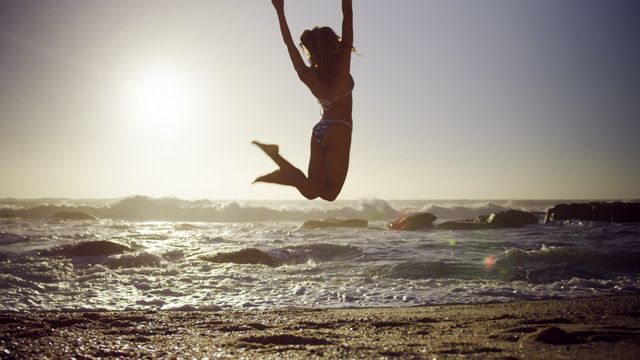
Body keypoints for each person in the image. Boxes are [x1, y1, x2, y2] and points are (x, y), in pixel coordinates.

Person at [252, 0, 354, 201]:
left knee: (311, 191)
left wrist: (280, 11)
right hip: (339, 129)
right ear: (333, 43)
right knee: (330, 194)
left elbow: (289, 45)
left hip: (320, 130)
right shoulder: (342, 68)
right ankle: (287, 176)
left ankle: (276, 156)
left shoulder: (307, 75)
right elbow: (347, 15)